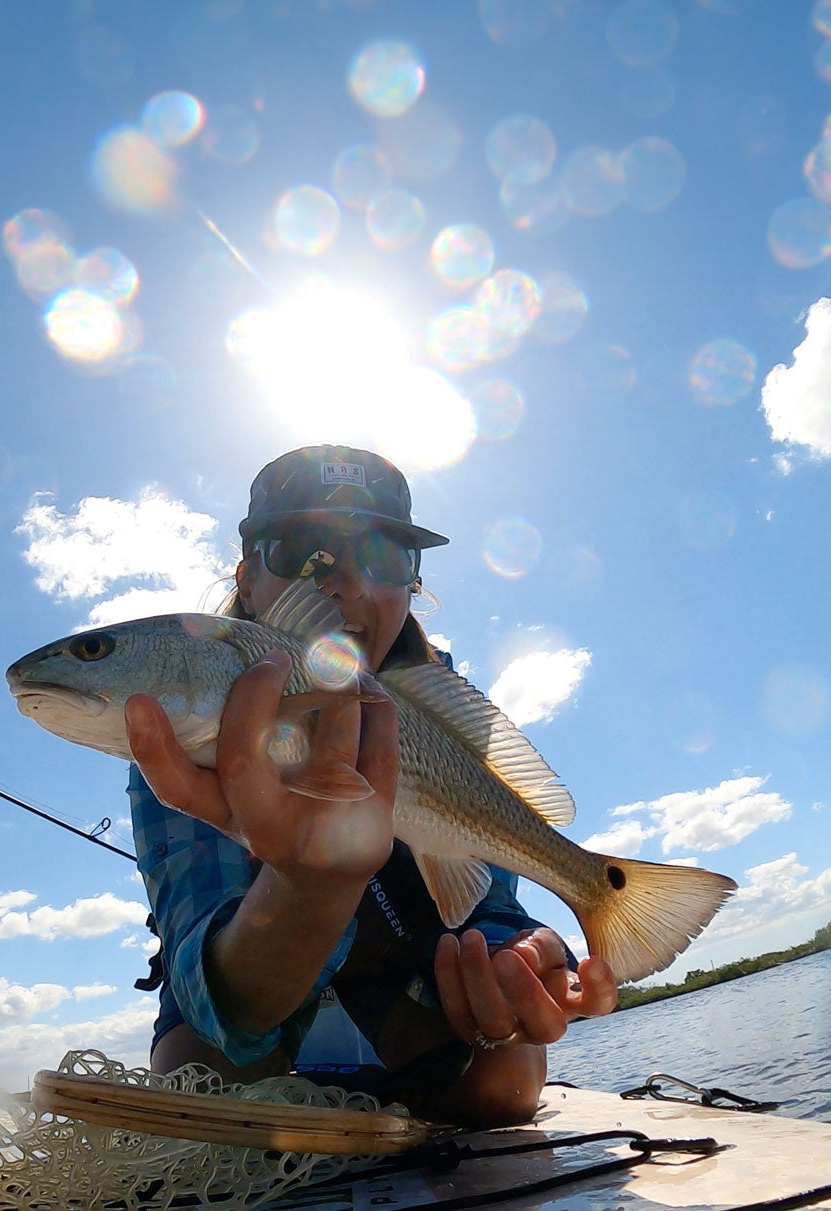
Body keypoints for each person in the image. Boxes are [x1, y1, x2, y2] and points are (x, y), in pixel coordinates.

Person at [124, 445, 616, 1127]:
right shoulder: (180, 729)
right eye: (302, 551)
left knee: (508, 1076)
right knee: (206, 1089)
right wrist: (307, 885)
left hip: (404, 963)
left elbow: (484, 899)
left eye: (385, 558)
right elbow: (216, 986)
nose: (346, 581)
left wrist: (520, 954)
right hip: (246, 968)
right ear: (247, 578)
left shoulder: (440, 713)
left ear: (412, 585)